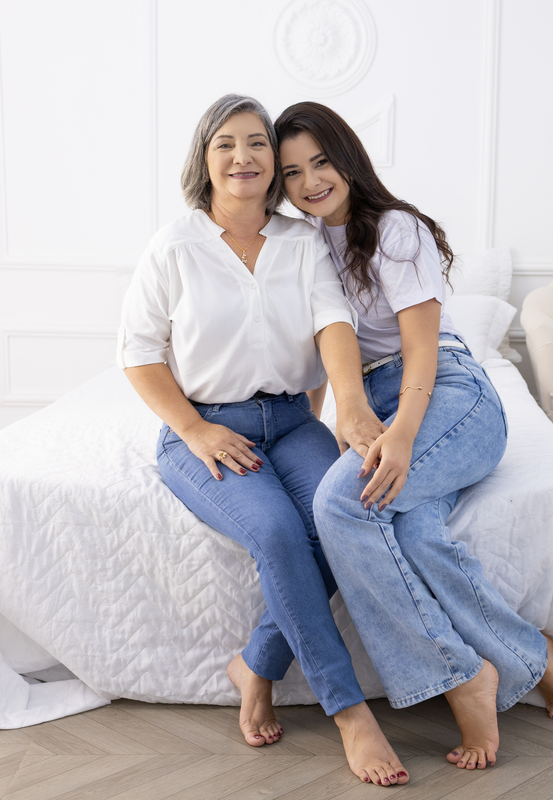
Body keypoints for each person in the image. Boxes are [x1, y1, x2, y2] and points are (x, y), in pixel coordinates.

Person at [277, 102, 553, 772]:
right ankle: (532, 657)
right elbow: (320, 352)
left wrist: (400, 436)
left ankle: (462, 675)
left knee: (342, 504)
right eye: (292, 171)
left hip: (447, 395)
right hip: (378, 402)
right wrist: (322, 421)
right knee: (414, 531)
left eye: (321, 161)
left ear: (348, 158)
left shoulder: (394, 229)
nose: (310, 180)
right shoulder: (298, 246)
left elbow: (421, 351)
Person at [118, 94, 407, 787]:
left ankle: (256, 660)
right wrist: (193, 428)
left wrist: (351, 409)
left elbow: (332, 324)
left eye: (255, 144)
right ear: (205, 159)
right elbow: (137, 352)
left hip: (292, 423)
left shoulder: (301, 241)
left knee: (344, 516)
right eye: (226, 144)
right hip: (206, 430)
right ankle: (349, 713)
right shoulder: (174, 245)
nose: (243, 157)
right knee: (279, 532)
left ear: (272, 164)